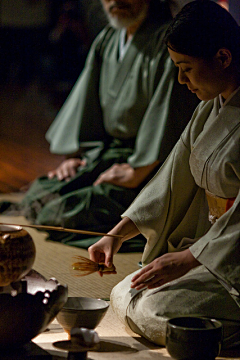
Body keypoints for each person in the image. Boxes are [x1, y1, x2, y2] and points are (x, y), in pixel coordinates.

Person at [88, 0, 240, 349]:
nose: (180, 80)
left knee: (153, 307)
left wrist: (190, 258)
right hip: (210, 247)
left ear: (223, 58)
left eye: (186, 68)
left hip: (231, 257)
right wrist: (115, 235)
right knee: (127, 290)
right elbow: (173, 180)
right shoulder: (209, 109)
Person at [1, 0, 198, 250]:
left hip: (152, 166)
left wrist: (137, 171)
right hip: (107, 153)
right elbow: (87, 103)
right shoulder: (108, 38)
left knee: (66, 211)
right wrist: (75, 156)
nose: (116, 1)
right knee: (40, 192)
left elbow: (169, 115)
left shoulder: (167, 40)